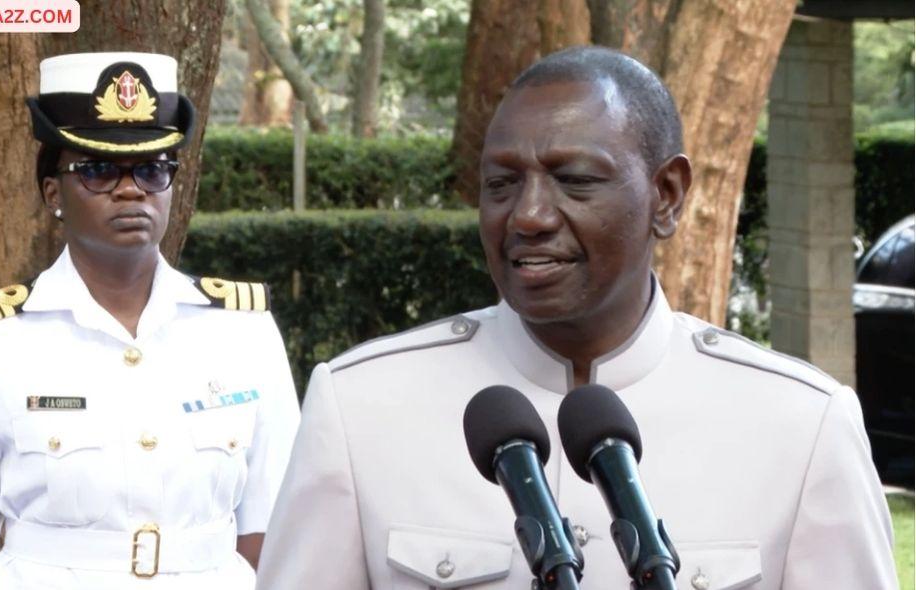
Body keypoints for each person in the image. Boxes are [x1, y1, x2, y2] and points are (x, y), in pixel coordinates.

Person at [255, 46, 897, 589]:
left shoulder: (801, 425)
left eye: (575, 180)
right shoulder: (362, 405)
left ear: (666, 197)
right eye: (501, 184)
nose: (529, 216)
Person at [0, 52, 300, 589]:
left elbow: (272, 530)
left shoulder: (243, 332)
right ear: (54, 193)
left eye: (152, 168)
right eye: (96, 171)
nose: (130, 189)